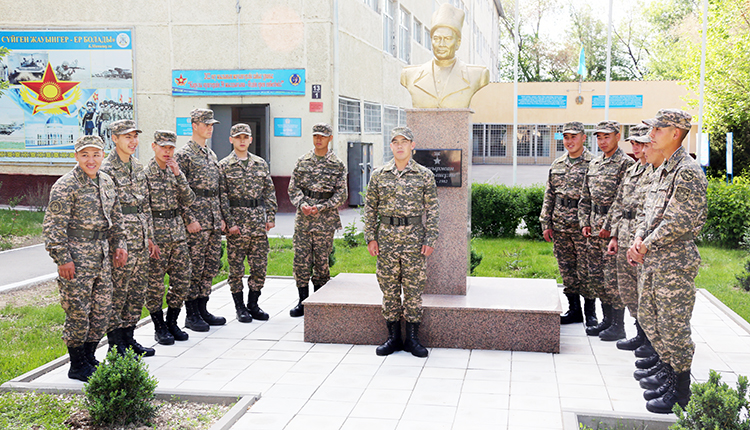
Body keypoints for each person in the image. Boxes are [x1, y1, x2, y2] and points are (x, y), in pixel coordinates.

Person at [627, 109, 707, 413]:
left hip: (673, 262)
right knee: (650, 318)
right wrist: (638, 239)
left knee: (674, 326)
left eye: (658, 128)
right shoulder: (661, 169)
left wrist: (644, 245)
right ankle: (667, 371)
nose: (651, 134)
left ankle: (680, 390)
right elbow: (647, 213)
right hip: (652, 258)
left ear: (676, 133)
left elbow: (678, 221)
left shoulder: (686, 171)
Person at [43, 135, 128, 381]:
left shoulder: (107, 181)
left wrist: (119, 244)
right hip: (77, 259)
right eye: (84, 155)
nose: (91, 160)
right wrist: (62, 258)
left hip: (102, 258)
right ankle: (77, 364)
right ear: (76, 156)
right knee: (78, 311)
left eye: (95, 154)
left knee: (101, 311)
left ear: (103, 155)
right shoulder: (65, 185)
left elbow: (116, 217)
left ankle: (90, 357)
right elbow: (53, 227)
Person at [365, 127, 440, 358]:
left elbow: (433, 210)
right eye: (395, 142)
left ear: (412, 145)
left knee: (413, 290)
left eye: (404, 142)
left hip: (414, 240)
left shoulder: (424, 174)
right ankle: (393, 338)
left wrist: (431, 237)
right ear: (390, 146)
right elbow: (370, 208)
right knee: (388, 289)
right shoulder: (379, 174)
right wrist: (371, 236)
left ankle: (413, 339)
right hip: (386, 239)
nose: (399, 146)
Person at [100, 119, 156, 357]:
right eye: (127, 137)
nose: (133, 141)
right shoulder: (106, 169)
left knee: (136, 292)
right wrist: (114, 244)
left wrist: (150, 237)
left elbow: (145, 206)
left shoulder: (137, 166)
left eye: (135, 136)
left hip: (141, 240)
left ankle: (129, 338)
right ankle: (115, 344)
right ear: (114, 138)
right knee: (118, 293)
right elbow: (105, 211)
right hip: (121, 243)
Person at [579, 120, 634, 341]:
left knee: (613, 279)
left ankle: (618, 325)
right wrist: (585, 222)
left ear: (618, 136)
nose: (602, 141)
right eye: (599, 137)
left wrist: (610, 229)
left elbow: (624, 201)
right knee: (598, 277)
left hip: (612, 232)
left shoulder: (625, 164)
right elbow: (585, 197)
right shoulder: (595, 164)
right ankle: (606, 321)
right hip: (593, 229)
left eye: (607, 137)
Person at [287, 123, 347, 317]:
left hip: (325, 220)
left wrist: (321, 207)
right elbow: (293, 188)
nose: (318, 139)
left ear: (330, 138)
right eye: (315, 136)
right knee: (301, 261)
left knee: (322, 262)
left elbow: (341, 194)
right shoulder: (302, 161)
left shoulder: (337, 165)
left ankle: (319, 302)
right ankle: (302, 302)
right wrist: (301, 203)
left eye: (322, 136)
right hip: (304, 219)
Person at [540, 121, 597, 326]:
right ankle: (574, 310)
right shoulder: (557, 165)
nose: (569, 141)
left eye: (574, 136)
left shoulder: (594, 164)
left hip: (584, 227)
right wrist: (545, 221)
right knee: (566, 269)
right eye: (566, 137)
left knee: (586, 269)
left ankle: (590, 313)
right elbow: (549, 195)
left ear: (583, 137)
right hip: (561, 225)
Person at [219, 123, 277, 323]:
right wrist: (229, 222)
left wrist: (270, 216)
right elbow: (222, 196)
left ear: (251, 140)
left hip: (257, 223)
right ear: (231, 140)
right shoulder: (224, 165)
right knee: (236, 269)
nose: (242, 140)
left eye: (245, 137)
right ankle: (240, 307)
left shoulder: (260, 163)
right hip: (237, 225)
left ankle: (253, 304)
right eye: (238, 137)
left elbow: (269, 191)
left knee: (259, 267)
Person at [175, 108, 227, 331]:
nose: (210, 128)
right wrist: (189, 219)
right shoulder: (183, 155)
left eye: (212, 124)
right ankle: (191, 314)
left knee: (210, 266)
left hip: (213, 220)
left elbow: (217, 189)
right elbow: (179, 190)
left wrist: (222, 217)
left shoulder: (211, 154)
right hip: (196, 221)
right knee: (194, 267)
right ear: (194, 125)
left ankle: (203, 308)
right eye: (205, 124)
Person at [144, 130, 195, 345]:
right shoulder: (145, 174)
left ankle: (173, 322)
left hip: (177, 234)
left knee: (182, 280)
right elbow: (143, 208)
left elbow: (189, 199)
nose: (167, 151)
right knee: (155, 285)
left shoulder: (175, 171)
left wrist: (178, 175)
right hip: (157, 236)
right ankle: (159, 326)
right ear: (154, 146)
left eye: (171, 148)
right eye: (163, 147)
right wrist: (149, 239)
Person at [605, 124, 651, 351]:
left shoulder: (654, 171)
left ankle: (648, 339)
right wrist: (613, 235)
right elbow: (619, 204)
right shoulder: (632, 170)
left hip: (640, 240)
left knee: (644, 291)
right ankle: (639, 332)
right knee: (628, 290)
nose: (635, 147)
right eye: (632, 142)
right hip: (624, 234)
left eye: (639, 142)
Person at [400, 3, 489, 108]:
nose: (441, 44)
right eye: (437, 39)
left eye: (447, 39)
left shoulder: (477, 75)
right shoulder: (410, 75)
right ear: (431, 41)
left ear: (458, 43)